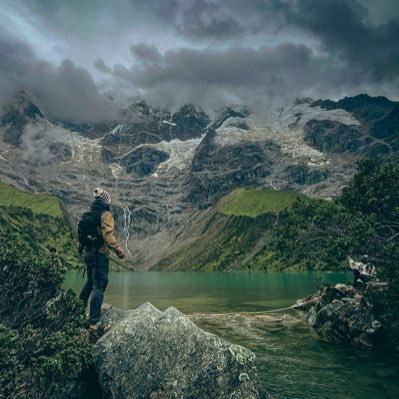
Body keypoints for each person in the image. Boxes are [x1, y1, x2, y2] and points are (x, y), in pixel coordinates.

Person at [78, 188, 125, 335]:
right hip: (100, 254)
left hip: (88, 253)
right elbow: (107, 234)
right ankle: (94, 323)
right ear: (106, 202)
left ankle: (76, 310)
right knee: (99, 285)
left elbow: (81, 239)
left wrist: (81, 251)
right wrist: (117, 250)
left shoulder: (88, 216)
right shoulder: (105, 214)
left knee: (90, 283)